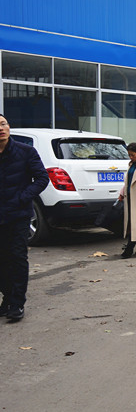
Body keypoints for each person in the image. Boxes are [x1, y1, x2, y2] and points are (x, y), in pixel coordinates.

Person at [0, 114, 48, 322]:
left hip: (18, 215)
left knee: (17, 257)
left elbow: (42, 178)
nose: (1, 128)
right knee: (2, 260)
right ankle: (7, 298)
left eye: (3, 124)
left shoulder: (26, 151)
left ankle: (17, 302)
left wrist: (23, 197)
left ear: (9, 127)